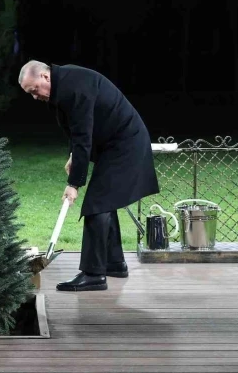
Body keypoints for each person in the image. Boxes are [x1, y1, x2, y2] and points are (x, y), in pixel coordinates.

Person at [18, 60, 159, 292]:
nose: (35, 96)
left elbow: (84, 135)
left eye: (34, 90)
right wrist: (73, 155)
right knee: (105, 201)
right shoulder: (63, 86)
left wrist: (74, 184)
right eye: (30, 93)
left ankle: (94, 275)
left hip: (125, 144)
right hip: (114, 145)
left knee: (97, 203)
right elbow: (76, 129)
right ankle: (114, 264)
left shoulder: (74, 87)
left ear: (45, 77)